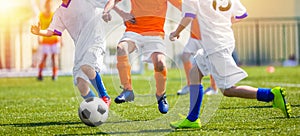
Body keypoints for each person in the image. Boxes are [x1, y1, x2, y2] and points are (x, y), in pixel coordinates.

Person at [169, 0, 291, 129]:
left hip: (214, 46)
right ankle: (192, 118)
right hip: (223, 40)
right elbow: (242, 15)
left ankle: (271, 95)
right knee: (195, 73)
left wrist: (176, 32)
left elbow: (188, 16)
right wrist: (221, 24)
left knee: (228, 90)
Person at [31, 0, 117, 107]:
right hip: (80, 48)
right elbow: (51, 31)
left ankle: (104, 97)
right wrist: (39, 32)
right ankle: (98, 108)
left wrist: (105, 12)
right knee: (81, 85)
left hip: (96, 40)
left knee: (87, 66)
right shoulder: (60, 12)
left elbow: (111, 1)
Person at [103, 0, 181, 114]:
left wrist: (179, 30)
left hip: (155, 33)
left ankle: (161, 95)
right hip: (134, 31)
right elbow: (113, 1)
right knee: (121, 48)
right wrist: (110, 12)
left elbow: (186, 9)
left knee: (160, 64)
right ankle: (127, 90)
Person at [177, 17, 218, 95]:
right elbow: (188, 16)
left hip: (207, 37)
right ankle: (190, 85)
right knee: (185, 56)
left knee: (210, 59)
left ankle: (213, 87)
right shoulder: (193, 5)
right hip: (193, 37)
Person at [36, 0, 61, 81]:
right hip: (45, 40)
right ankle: (40, 74)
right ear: (45, 6)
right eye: (48, 5)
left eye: (50, 5)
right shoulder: (41, 15)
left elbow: (58, 27)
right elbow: (39, 27)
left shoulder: (53, 14)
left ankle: (54, 75)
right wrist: (38, 38)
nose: (49, 7)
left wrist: (61, 39)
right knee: (44, 57)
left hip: (54, 39)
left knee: (54, 57)